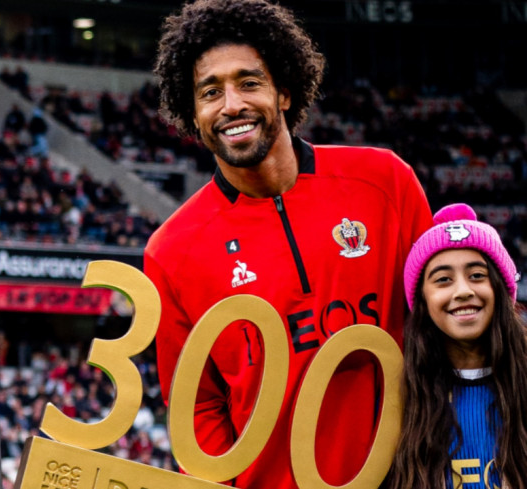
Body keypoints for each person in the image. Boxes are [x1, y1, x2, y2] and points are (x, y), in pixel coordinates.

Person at [144, 0, 433, 487]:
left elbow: (440, 330)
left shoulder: (385, 182)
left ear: (284, 92)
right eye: (210, 92)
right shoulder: (171, 251)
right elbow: (197, 409)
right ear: (193, 114)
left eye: (249, 82)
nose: (231, 105)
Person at [387, 203, 527, 489]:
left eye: (477, 275)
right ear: (423, 301)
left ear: (500, 289)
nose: (463, 291)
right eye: (443, 280)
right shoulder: (397, 396)